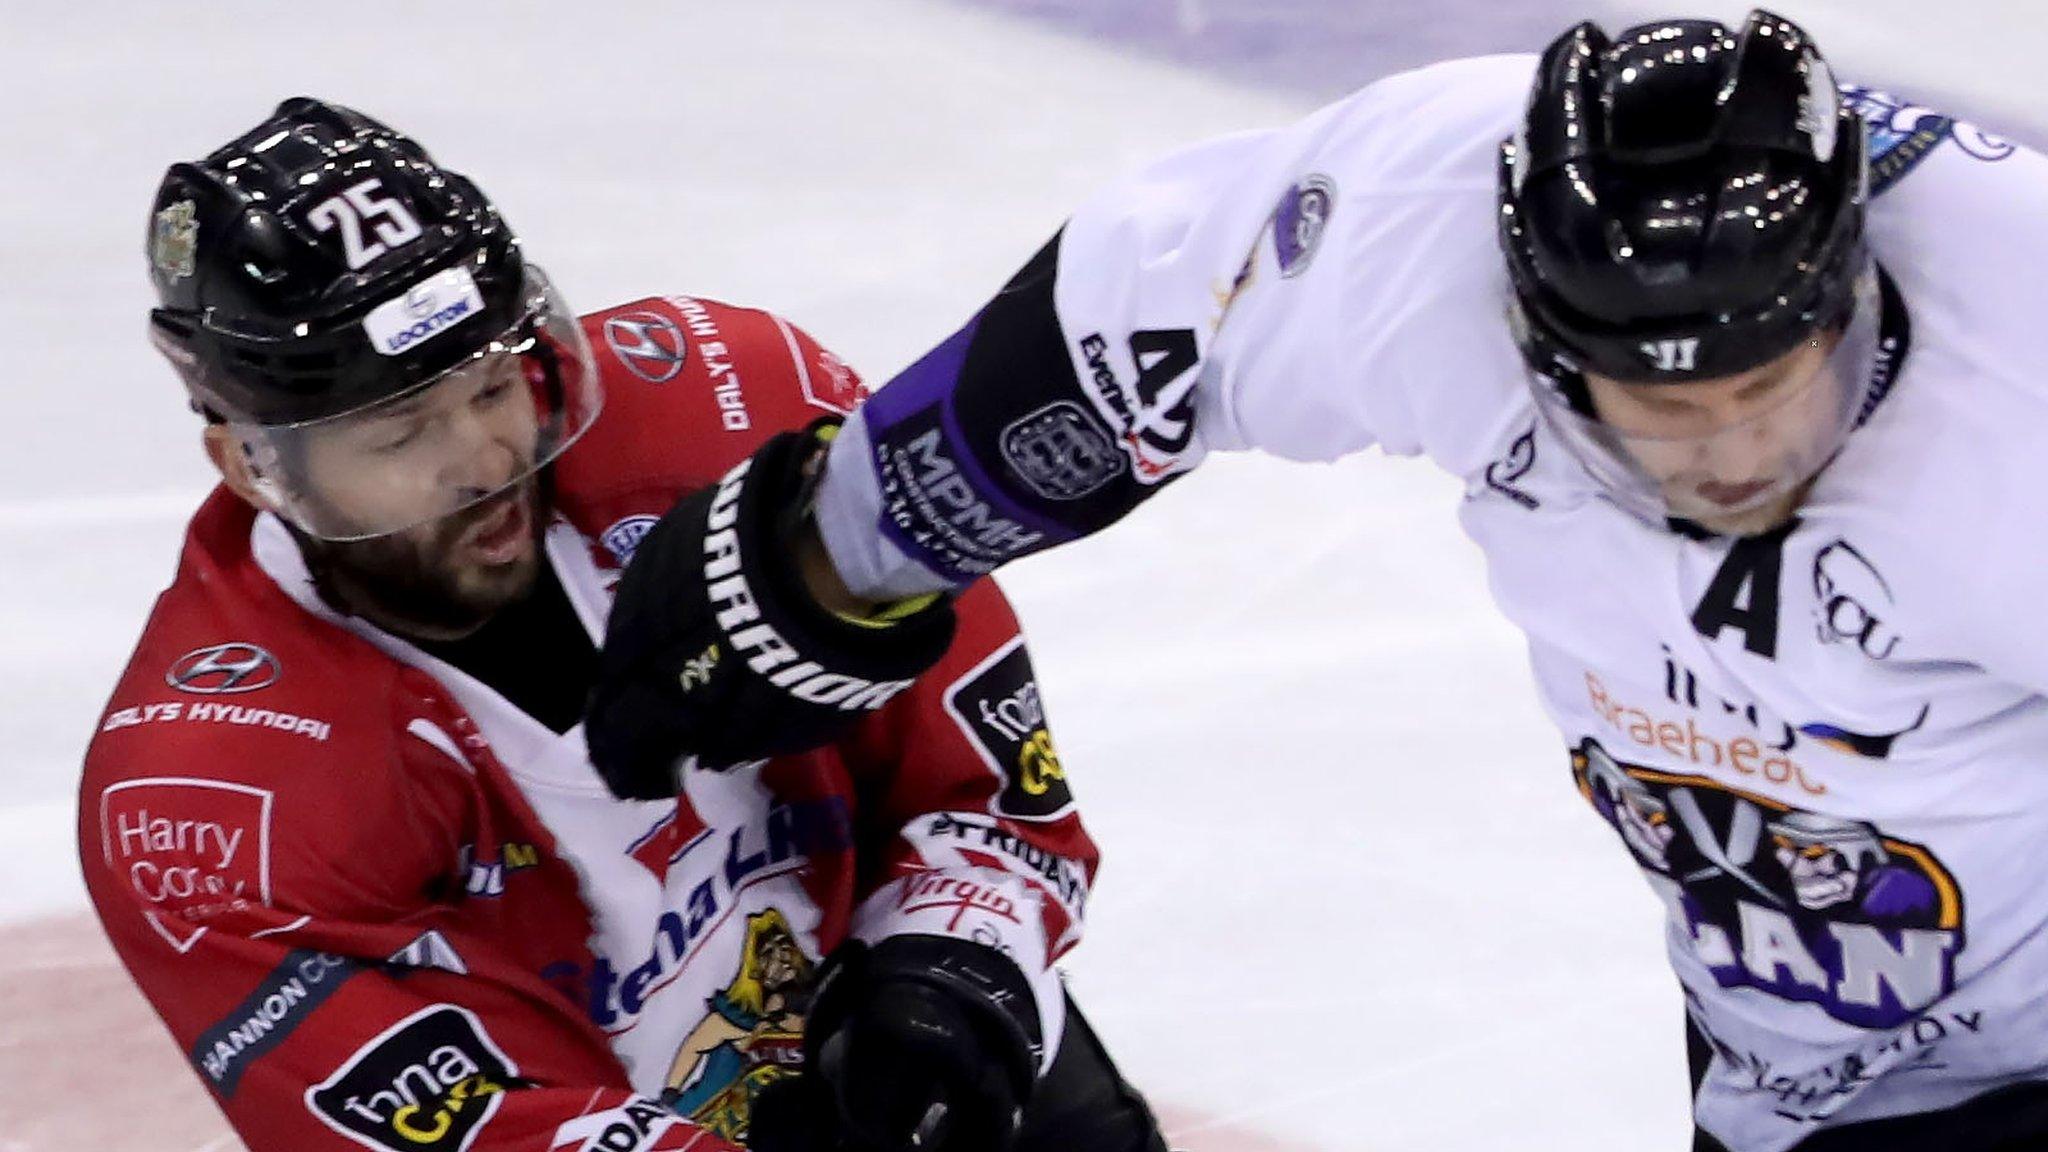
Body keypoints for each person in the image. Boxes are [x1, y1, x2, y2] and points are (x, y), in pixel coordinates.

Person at [582, 10, 2048, 1151]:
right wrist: (825, 558)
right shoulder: (1411, 226)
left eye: (1767, 389)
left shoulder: (2020, 384)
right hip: (1800, 1040)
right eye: (1656, 405)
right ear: (1534, 329)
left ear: (1855, 282)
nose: (1726, 456)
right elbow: (1134, 328)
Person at [78, 98, 1166, 1152]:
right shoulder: (212, 795)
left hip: (907, 1038)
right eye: (404, 432)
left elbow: (979, 773)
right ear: (252, 464)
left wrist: (949, 969)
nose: (487, 460)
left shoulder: (735, 414)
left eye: (494, 387)